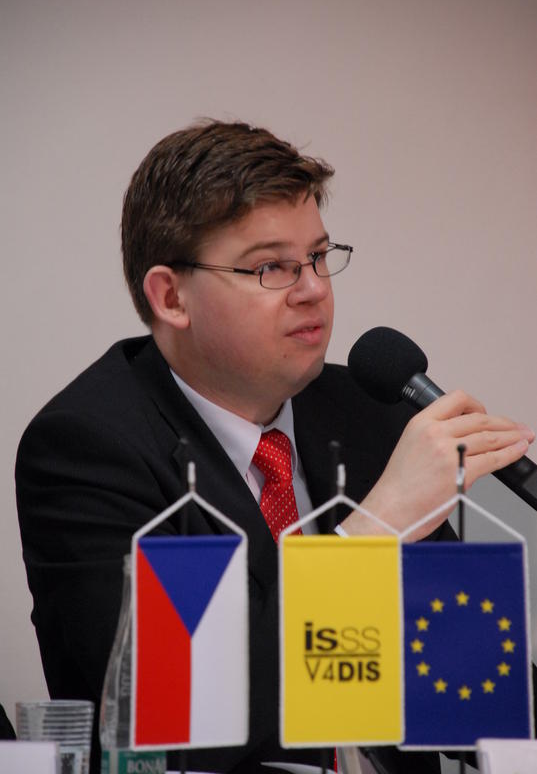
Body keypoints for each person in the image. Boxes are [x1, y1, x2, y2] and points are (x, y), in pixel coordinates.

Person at [16, 120, 534, 774]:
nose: (313, 288)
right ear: (171, 296)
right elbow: (177, 722)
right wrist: (373, 531)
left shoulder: (366, 411)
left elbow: (463, 683)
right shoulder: (88, 448)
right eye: (271, 267)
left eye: (318, 257)